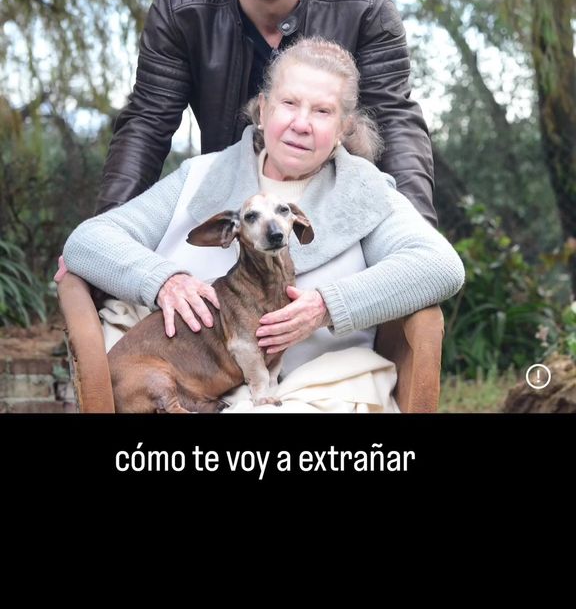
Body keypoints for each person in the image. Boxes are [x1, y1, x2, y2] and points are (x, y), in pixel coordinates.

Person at [63, 38, 464, 414]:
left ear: (344, 127)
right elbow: (88, 240)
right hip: (179, 381)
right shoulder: (200, 175)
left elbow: (441, 267)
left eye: (322, 111)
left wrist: (327, 305)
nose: (301, 123)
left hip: (320, 391)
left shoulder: (368, 192)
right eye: (289, 103)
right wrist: (163, 280)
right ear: (264, 109)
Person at [94, 0, 436, 225]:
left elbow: (395, 120)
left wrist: (416, 236)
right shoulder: (181, 11)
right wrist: (106, 234)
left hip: (340, 212)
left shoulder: (363, 3)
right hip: (232, 213)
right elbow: (146, 125)